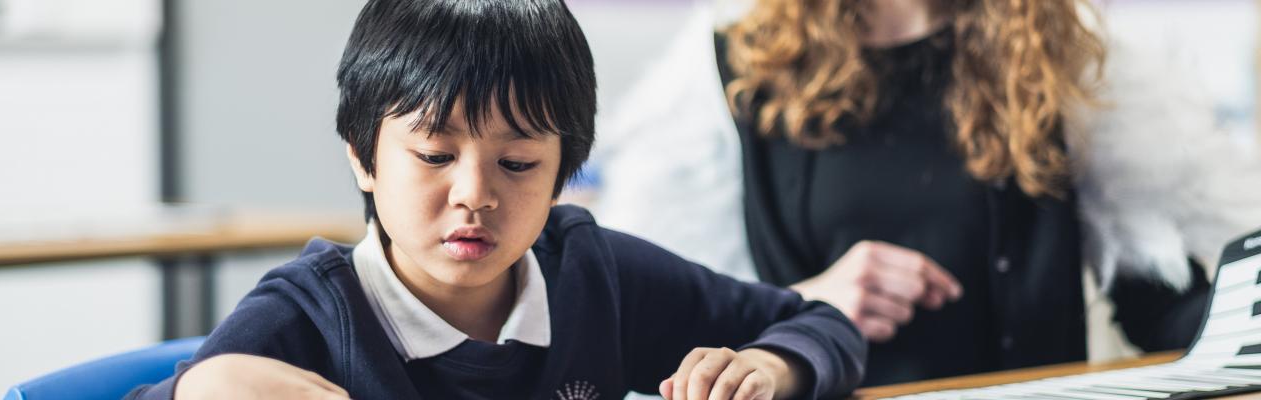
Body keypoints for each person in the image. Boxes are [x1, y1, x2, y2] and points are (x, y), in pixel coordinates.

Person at [125, 0, 868, 399]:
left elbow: (817, 324)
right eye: (435, 155)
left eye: (516, 162)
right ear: (363, 158)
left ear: (564, 172)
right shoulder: (310, 315)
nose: (475, 194)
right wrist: (208, 386)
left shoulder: (592, 275)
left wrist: (775, 369)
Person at [593, 0, 1261, 387]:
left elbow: (1156, 287)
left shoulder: (1052, 50)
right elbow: (678, 322)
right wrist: (812, 302)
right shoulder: (732, 73)